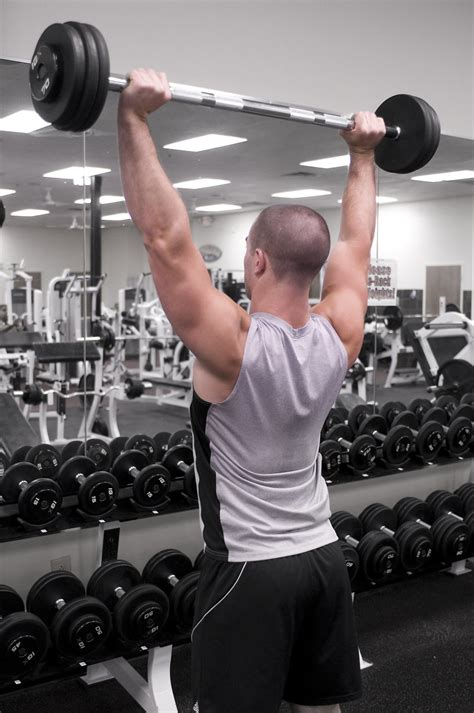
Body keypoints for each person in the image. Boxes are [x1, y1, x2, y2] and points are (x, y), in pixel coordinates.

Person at [118, 69, 386, 713]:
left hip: (249, 571)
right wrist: (363, 155)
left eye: (245, 249)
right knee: (320, 707)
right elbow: (357, 241)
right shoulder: (341, 329)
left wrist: (132, 119)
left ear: (259, 261)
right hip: (322, 557)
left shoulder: (233, 345)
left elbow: (164, 238)